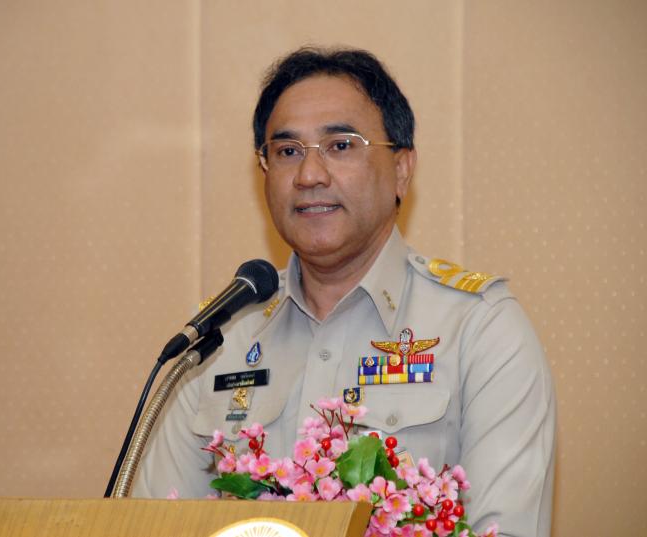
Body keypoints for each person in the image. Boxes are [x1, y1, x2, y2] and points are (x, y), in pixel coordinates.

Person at [132, 47, 555, 537]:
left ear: (402, 169)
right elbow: (151, 526)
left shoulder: (480, 329)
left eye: (340, 145)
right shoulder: (219, 338)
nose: (309, 175)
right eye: (287, 151)